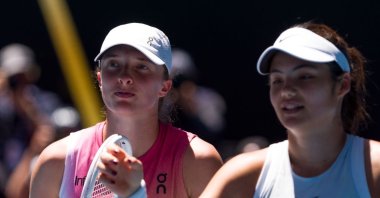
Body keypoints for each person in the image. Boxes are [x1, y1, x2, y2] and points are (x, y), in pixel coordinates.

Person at [30, 22, 223, 198]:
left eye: (141, 66)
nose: (124, 77)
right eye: (113, 64)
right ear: (100, 80)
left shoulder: (198, 160)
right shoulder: (56, 161)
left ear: (164, 87)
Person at [200, 22, 380, 197]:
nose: (286, 90)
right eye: (277, 79)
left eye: (305, 76)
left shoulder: (375, 166)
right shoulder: (240, 176)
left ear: (342, 85)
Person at [0, 43, 61, 197]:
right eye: (13, 79)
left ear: (32, 73)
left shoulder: (48, 103)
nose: (20, 84)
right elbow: (12, 191)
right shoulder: (2, 114)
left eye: (23, 76)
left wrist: (30, 111)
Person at [171, 48, 227, 146]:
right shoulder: (163, 103)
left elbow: (215, 133)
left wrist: (191, 108)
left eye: (182, 79)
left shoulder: (209, 99)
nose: (178, 86)